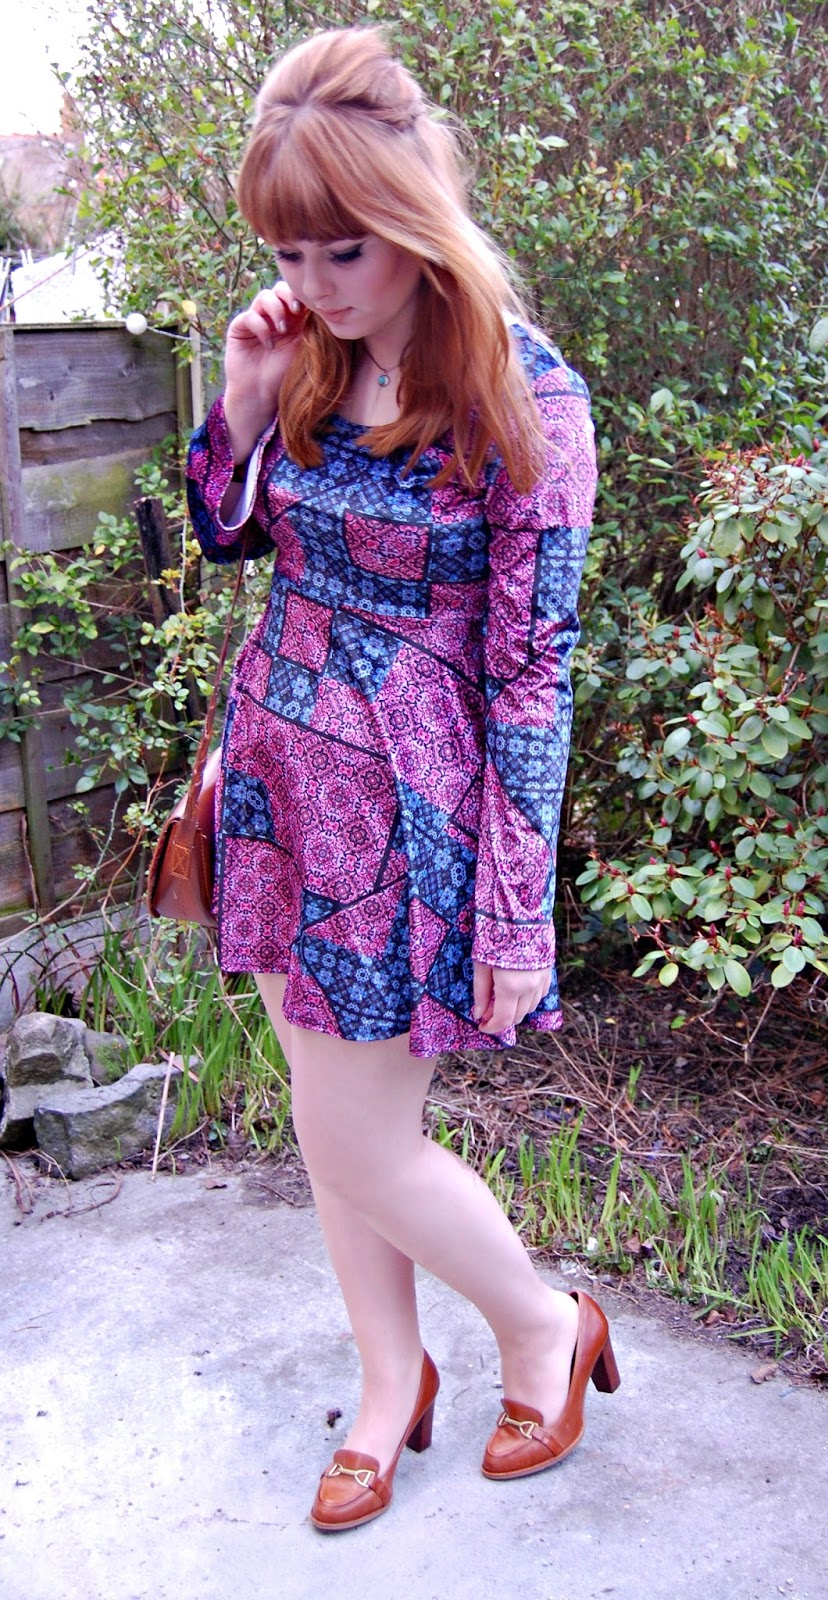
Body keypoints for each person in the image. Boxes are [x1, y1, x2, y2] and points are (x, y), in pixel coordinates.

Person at [184, 25, 617, 1533]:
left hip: (404, 813)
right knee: (327, 1114)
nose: (313, 282)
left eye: (343, 249)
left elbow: (533, 674)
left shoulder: (526, 399)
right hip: (277, 783)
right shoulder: (305, 352)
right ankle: (389, 1381)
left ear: (414, 217)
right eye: (287, 252)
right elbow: (231, 536)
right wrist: (242, 402)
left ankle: (544, 1327)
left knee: (358, 1134)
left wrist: (517, 912)